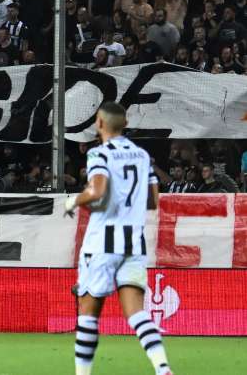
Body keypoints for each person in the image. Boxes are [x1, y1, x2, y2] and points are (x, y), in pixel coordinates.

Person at [64, 102, 173, 375]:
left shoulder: (98, 154)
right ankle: (162, 368)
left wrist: (74, 201)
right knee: (137, 314)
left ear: (99, 123)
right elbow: (152, 201)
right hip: (134, 243)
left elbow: (98, 190)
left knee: (87, 314)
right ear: (124, 124)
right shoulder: (142, 155)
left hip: (101, 242)